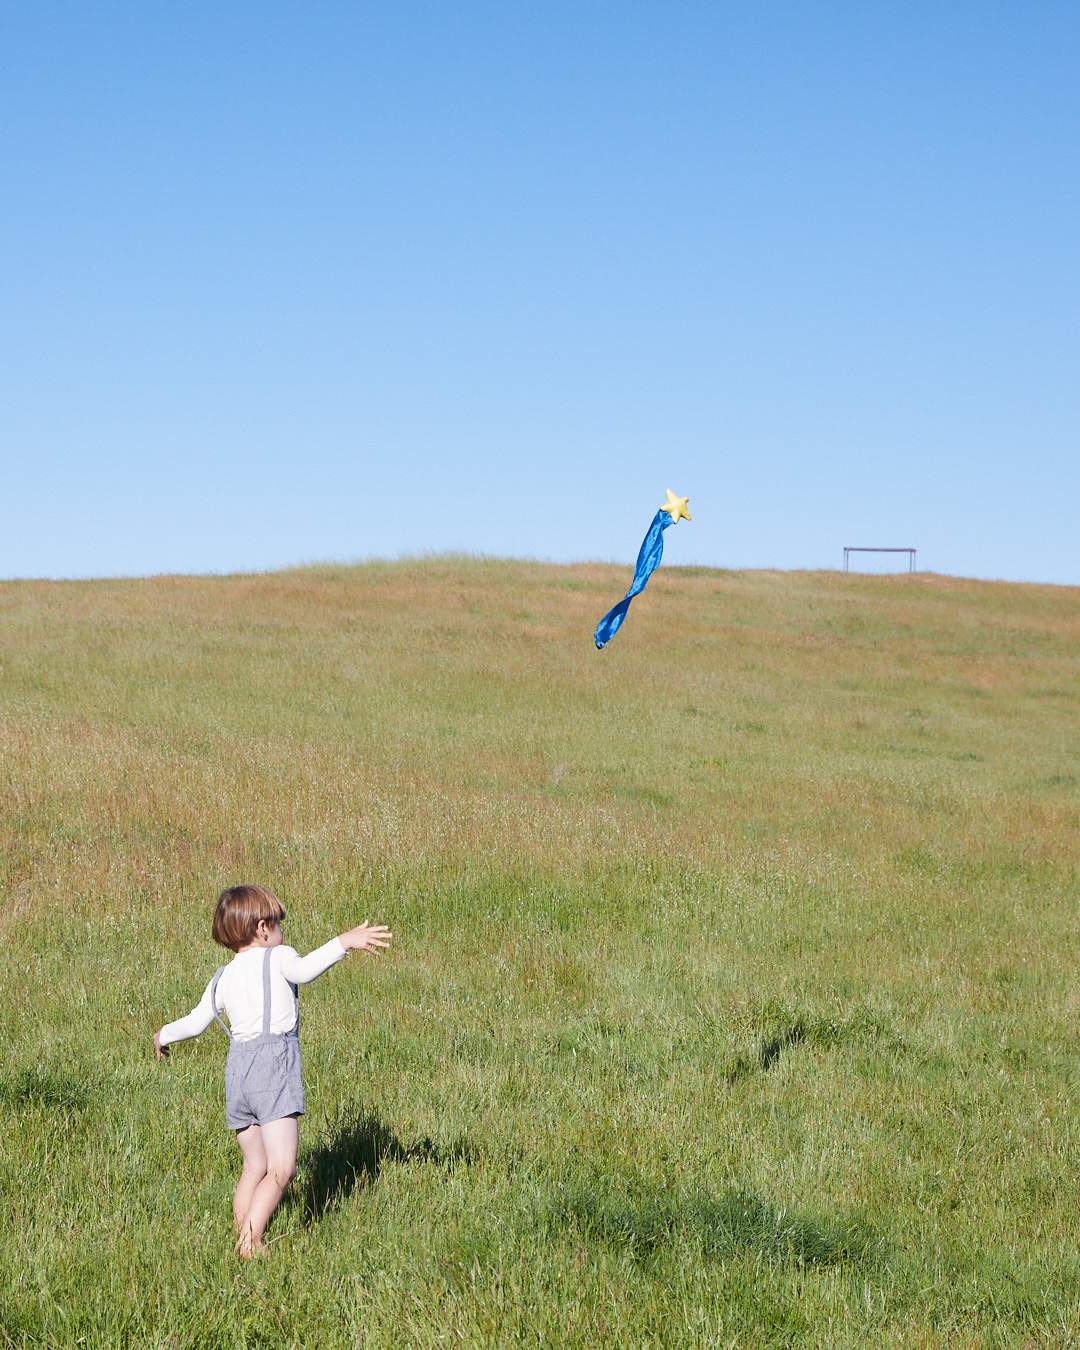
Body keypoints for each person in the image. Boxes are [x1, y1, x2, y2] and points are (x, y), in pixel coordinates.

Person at [153, 883, 391, 1257]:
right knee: (282, 1168)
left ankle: (240, 1226)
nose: (282, 931)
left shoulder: (222, 977)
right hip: (272, 1066)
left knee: (254, 1165)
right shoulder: (278, 956)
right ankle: (251, 1241)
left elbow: (197, 1022)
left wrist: (162, 1035)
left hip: (237, 1073)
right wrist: (344, 942)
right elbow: (305, 970)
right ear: (263, 929)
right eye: (279, 924)